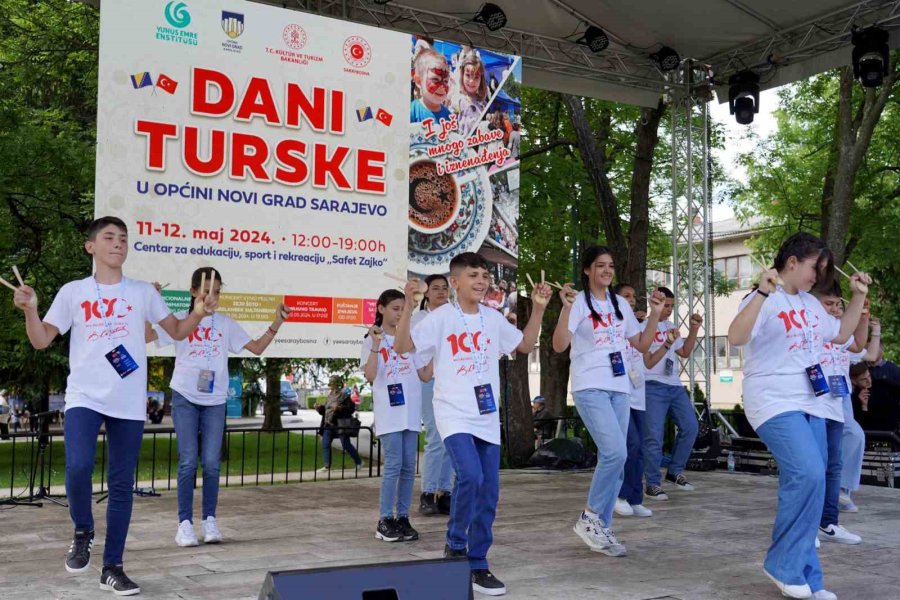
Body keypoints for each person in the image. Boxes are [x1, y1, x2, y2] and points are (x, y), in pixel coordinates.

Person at [9, 216, 216, 596]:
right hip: (84, 397)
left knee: (122, 485)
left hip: (129, 400)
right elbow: (41, 340)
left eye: (123, 238)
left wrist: (199, 312)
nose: (118, 243)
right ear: (91, 247)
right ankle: (83, 528)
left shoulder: (141, 292)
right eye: (109, 237)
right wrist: (30, 309)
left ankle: (113, 567)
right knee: (78, 465)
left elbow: (177, 332)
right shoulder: (73, 291)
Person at [395, 252, 551, 597]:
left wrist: (538, 308)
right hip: (452, 413)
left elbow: (524, 344)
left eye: (485, 276)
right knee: (471, 476)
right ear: (455, 282)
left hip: (486, 417)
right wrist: (409, 304)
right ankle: (455, 545)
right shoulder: (440, 318)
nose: (481, 281)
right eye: (474, 276)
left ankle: (478, 562)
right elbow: (403, 345)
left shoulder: (493, 319)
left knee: (490, 491)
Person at [728, 231, 870, 600]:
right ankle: (783, 565)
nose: (817, 276)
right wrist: (760, 293)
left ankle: (808, 576)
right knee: (806, 473)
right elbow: (736, 336)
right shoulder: (764, 298)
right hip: (773, 400)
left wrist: (858, 296)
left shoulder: (809, 303)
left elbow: (840, 335)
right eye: (813, 267)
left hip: (813, 401)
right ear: (792, 262)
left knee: (814, 483)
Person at [147, 267, 288, 548]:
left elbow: (257, 348)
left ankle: (209, 520)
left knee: (211, 463)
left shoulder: (225, 323)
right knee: (188, 461)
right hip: (185, 397)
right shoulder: (181, 322)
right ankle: (184, 524)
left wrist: (277, 322)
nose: (213, 296)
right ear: (194, 292)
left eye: (218, 291)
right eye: (208, 290)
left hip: (215, 402)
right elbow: (147, 336)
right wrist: (150, 304)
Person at [551, 246, 664, 558]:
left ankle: (601, 524)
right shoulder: (577, 303)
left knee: (617, 456)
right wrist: (564, 309)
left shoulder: (620, 305)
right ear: (587, 270)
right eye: (600, 265)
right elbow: (559, 345)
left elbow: (641, 344)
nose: (606, 270)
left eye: (610, 266)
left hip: (620, 387)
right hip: (590, 386)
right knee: (615, 452)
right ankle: (590, 518)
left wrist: (654, 315)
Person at [362, 289, 432, 543]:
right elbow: (370, 376)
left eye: (404, 309)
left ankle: (402, 517)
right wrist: (376, 345)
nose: (400, 313)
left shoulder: (410, 340)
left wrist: (437, 349)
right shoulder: (371, 338)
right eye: (395, 308)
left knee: (407, 468)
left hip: (411, 413)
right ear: (381, 308)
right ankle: (384, 519)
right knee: (392, 465)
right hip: (389, 413)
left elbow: (424, 374)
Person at [810, 281, 871, 546]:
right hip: (812, 403)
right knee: (812, 466)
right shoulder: (811, 328)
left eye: (838, 305)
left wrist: (863, 316)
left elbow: (858, 344)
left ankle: (828, 522)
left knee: (833, 466)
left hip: (836, 404)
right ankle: (806, 525)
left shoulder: (838, 330)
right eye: (829, 304)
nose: (835, 310)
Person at [641, 287, 702, 500]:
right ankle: (652, 482)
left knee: (691, 427)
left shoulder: (671, 326)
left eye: (671, 306)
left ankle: (674, 471)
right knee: (653, 437)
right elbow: (645, 359)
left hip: (674, 385)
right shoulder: (642, 326)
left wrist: (694, 329)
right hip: (652, 385)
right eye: (665, 305)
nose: (668, 310)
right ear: (654, 302)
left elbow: (684, 352)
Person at [413, 274, 454, 516]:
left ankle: (445, 492)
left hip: (453, 381)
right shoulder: (417, 319)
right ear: (426, 293)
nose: (441, 292)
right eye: (435, 288)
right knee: (435, 437)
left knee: (453, 437)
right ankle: (427, 493)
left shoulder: (456, 316)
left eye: (444, 288)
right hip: (428, 380)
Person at [612, 283, 653, 518]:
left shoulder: (637, 328)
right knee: (629, 444)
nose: (631, 300)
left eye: (633, 296)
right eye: (625, 296)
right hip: (620, 393)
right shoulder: (614, 327)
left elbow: (647, 358)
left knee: (639, 448)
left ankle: (635, 497)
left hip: (638, 395)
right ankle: (619, 495)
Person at [316, 376, 362, 472]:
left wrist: (340, 408)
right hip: (328, 423)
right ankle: (327, 466)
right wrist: (319, 408)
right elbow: (326, 410)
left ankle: (358, 462)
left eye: (333, 384)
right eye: (331, 384)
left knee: (346, 445)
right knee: (326, 444)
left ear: (337, 384)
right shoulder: (330, 395)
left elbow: (351, 409)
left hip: (340, 424)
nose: (331, 387)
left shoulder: (344, 395)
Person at [450, 47, 489, 135]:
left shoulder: (483, 103)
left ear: (481, 79)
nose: (471, 81)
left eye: (476, 77)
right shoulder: (457, 99)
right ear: (462, 75)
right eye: (468, 75)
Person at [411, 45, 452, 123]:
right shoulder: (412, 111)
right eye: (435, 79)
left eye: (446, 81)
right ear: (418, 81)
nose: (442, 86)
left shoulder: (449, 117)